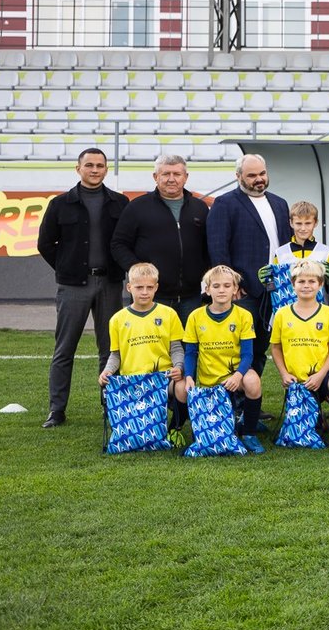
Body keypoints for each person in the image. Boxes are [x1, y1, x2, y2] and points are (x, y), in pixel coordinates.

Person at [37, 146, 129, 428]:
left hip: (110, 284)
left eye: (100, 166)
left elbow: (126, 240)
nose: (94, 170)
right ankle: (57, 410)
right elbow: (45, 244)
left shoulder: (120, 202)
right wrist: (67, 268)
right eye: (89, 165)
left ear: (106, 169)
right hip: (73, 285)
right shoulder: (60, 204)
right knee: (64, 349)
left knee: (110, 348)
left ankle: (109, 407)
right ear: (78, 169)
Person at [269, 260, 329, 450]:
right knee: (301, 433)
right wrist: (284, 374)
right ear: (293, 284)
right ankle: (317, 418)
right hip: (297, 381)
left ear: (320, 284)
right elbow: (275, 348)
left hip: (322, 376)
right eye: (301, 282)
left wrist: (320, 375)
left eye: (311, 281)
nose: (306, 286)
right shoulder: (282, 314)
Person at [111, 153, 209, 320]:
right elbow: (118, 244)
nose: (171, 179)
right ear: (155, 177)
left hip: (192, 297)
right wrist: (139, 271)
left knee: (189, 345)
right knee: (155, 345)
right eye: (165, 174)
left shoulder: (199, 208)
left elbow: (207, 246)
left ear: (186, 177)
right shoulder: (137, 207)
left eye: (177, 174)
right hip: (154, 296)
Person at [182, 265, 263, 454]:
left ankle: (249, 433)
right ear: (207, 289)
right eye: (216, 286)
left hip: (234, 375)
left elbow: (248, 354)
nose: (221, 290)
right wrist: (188, 377)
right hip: (209, 380)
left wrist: (238, 376)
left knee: (252, 381)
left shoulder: (243, 315)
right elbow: (190, 353)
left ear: (235, 289)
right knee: (209, 435)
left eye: (227, 286)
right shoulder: (196, 316)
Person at [100, 262, 185, 440]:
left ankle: (174, 430)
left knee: (183, 387)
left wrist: (178, 367)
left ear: (156, 288)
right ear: (129, 287)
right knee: (108, 389)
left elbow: (176, 348)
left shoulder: (168, 314)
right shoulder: (117, 319)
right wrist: (107, 371)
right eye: (139, 287)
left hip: (162, 378)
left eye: (149, 287)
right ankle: (126, 429)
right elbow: (116, 354)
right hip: (132, 381)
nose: (144, 292)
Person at [206, 154, 289, 326]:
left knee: (273, 341)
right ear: (238, 176)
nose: (259, 179)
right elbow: (218, 247)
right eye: (252, 175)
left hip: (278, 286)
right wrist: (231, 283)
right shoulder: (224, 203)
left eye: (262, 173)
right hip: (245, 289)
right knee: (245, 343)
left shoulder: (280, 203)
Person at [262, 201, 329, 298]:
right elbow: (274, 289)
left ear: (316, 223)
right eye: (298, 223)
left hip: (318, 309)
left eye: (308, 223)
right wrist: (267, 283)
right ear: (291, 223)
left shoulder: (327, 252)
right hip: (288, 310)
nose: (303, 228)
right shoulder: (280, 253)